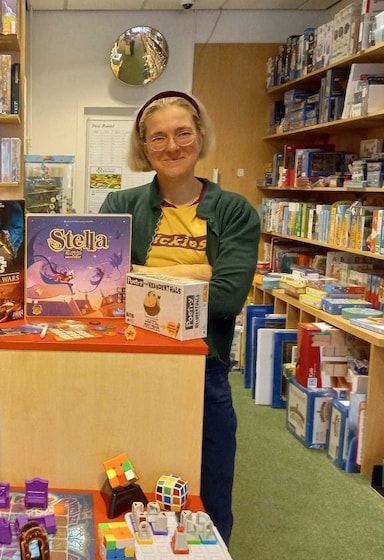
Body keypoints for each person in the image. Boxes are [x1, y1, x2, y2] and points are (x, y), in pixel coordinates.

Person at [98, 90, 260, 545]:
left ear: (200, 136)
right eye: (158, 137)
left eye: (183, 133)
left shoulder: (234, 211)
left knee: (210, 498)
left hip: (202, 369)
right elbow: (105, 289)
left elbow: (226, 299)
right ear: (143, 146)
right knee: (131, 483)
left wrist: (139, 275)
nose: (172, 146)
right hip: (131, 362)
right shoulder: (119, 204)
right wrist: (196, 274)